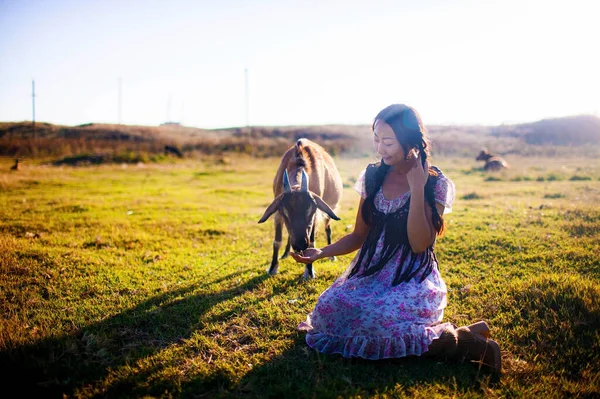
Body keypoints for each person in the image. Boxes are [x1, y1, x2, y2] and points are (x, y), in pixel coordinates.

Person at [291, 104, 501, 373]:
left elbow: (419, 243)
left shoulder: (435, 183)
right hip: (371, 274)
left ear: (410, 140)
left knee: (379, 319)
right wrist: (321, 251)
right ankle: (468, 333)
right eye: (376, 140)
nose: (380, 149)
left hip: (411, 278)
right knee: (330, 308)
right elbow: (359, 235)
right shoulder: (373, 176)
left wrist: (416, 188)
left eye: (388, 142)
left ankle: (468, 344)